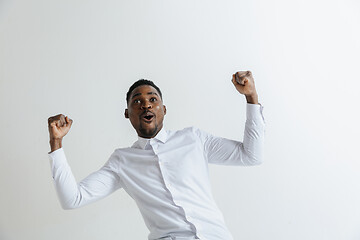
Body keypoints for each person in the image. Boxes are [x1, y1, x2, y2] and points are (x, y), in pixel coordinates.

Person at [47, 71, 265, 240]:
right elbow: (72, 199)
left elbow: (251, 155)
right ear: (127, 114)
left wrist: (251, 97)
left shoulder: (194, 139)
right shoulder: (122, 162)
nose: (146, 105)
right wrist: (56, 142)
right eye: (137, 101)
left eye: (153, 99)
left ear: (164, 109)